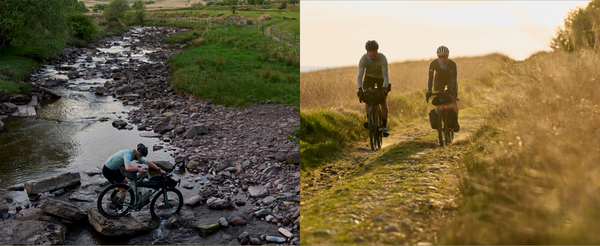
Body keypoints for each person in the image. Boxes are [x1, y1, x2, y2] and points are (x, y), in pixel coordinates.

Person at [356, 40, 390, 137]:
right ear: (367, 51)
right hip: (369, 78)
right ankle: (369, 121)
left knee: (382, 101)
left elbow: (386, 77)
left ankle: (384, 126)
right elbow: (359, 77)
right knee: (367, 98)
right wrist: (359, 88)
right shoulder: (363, 60)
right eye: (370, 51)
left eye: (374, 51)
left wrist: (383, 88)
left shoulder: (382, 58)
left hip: (380, 78)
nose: (372, 53)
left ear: (377, 51)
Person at [426, 45, 460, 132]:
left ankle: (455, 122)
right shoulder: (433, 64)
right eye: (440, 57)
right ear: (437, 56)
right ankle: (439, 120)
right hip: (438, 81)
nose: (442, 59)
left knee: (453, 100)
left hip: (450, 80)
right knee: (438, 100)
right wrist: (429, 89)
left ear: (448, 55)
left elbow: (454, 78)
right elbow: (430, 78)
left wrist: (454, 89)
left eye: (444, 56)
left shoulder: (452, 64)